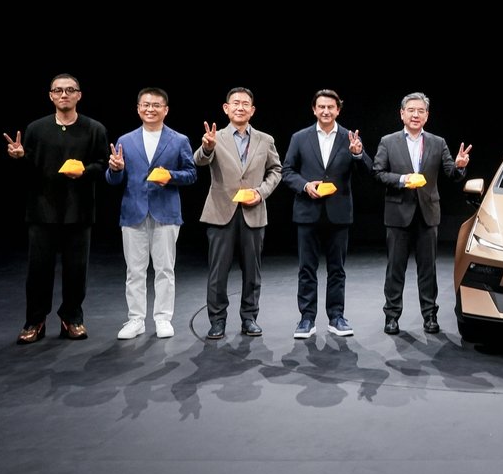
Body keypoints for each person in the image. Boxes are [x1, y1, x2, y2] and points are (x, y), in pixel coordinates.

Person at [4, 74, 110, 344]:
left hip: (79, 211)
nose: (64, 94)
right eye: (58, 90)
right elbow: (29, 169)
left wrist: (85, 171)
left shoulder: (94, 129)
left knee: (76, 270)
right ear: (50, 95)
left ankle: (72, 319)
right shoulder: (36, 129)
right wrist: (20, 157)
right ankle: (35, 321)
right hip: (42, 210)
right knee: (38, 270)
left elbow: (102, 164)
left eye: (70, 90)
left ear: (79, 95)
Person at [372, 92, 472, 335]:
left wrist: (460, 166)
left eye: (421, 111)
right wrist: (403, 179)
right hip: (398, 214)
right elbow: (378, 173)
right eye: (411, 110)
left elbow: (451, 174)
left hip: (428, 214)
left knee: (428, 270)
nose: (415, 115)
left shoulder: (438, 142)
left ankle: (430, 316)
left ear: (427, 116)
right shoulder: (388, 141)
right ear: (402, 114)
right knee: (395, 269)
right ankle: (392, 316)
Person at [105, 87, 197, 340]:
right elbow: (114, 180)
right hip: (133, 211)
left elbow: (191, 174)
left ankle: (163, 318)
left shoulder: (179, 140)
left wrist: (171, 176)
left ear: (166, 110)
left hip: (166, 213)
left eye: (156, 105)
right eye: (145, 105)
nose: (150, 109)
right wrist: (115, 169)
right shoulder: (125, 140)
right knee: (134, 271)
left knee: (165, 269)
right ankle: (136, 320)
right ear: (138, 109)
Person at [194, 87, 283, 339]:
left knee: (252, 271)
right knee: (218, 272)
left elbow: (276, 170)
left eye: (245, 104)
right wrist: (207, 147)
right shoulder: (215, 137)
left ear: (252, 110)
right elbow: (199, 160)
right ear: (226, 108)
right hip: (221, 211)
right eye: (235, 103)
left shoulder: (265, 140)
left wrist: (261, 192)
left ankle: (249, 318)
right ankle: (217, 321)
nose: (240, 107)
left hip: (253, 211)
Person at [282, 89, 372, 339]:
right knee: (306, 269)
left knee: (337, 269)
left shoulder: (349, 137)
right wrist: (304, 185)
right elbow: (287, 171)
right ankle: (306, 318)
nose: (325, 111)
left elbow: (368, 171)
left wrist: (357, 153)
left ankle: (336, 317)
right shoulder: (300, 137)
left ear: (338, 110)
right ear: (314, 109)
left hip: (338, 213)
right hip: (307, 211)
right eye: (321, 107)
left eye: (330, 107)